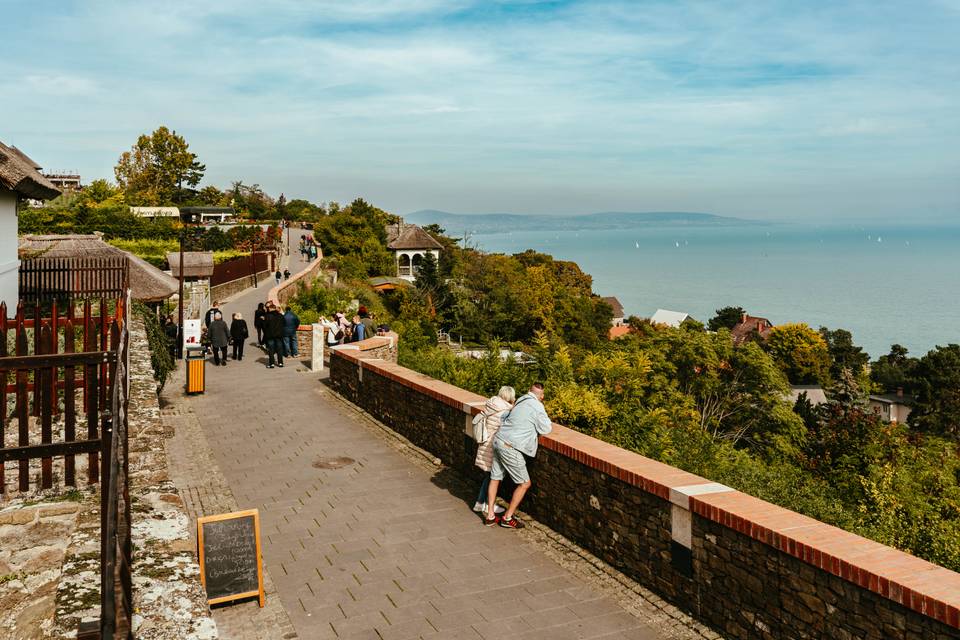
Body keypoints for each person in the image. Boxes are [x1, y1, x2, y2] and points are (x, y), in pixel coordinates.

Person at [485, 383, 552, 529]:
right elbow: (546, 428)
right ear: (542, 396)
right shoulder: (538, 406)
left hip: (499, 440)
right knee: (524, 484)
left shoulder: (520, 400)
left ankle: (490, 515)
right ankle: (507, 518)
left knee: (495, 478)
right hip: (510, 446)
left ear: (529, 391)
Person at [472, 386, 515, 515]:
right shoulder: (505, 411)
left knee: (489, 476)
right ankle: (483, 504)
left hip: (485, 443)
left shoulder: (492, 405)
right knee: (492, 476)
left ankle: (481, 503)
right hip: (492, 446)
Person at [263, 303, 285, 368]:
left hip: (270, 335)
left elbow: (265, 325)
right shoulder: (280, 315)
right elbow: (284, 324)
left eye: (269, 308)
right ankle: (280, 363)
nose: (268, 309)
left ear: (270, 308)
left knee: (271, 350)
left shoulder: (268, 316)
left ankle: (271, 364)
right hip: (279, 335)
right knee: (279, 349)